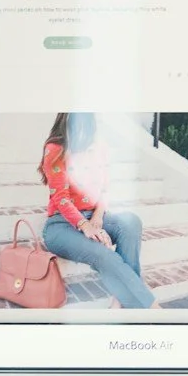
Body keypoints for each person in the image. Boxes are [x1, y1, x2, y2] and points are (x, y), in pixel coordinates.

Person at [37, 112, 155, 309]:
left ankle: (119, 301)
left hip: (93, 216)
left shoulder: (99, 148)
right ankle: (153, 311)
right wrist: (84, 225)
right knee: (104, 253)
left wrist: (97, 218)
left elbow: (104, 189)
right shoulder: (55, 149)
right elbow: (61, 198)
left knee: (131, 221)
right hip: (60, 225)